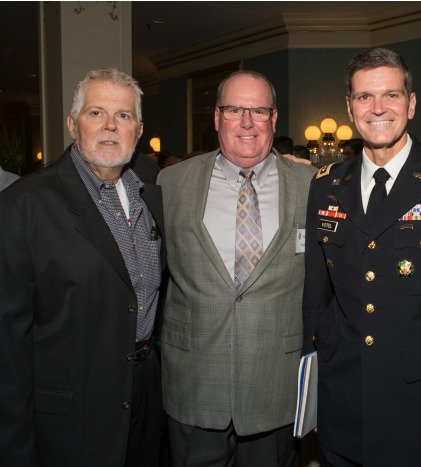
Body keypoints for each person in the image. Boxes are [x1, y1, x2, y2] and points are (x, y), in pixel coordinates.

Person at [303, 47, 421, 466]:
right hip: (341, 409)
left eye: (391, 95)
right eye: (364, 97)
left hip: (420, 416)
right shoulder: (327, 185)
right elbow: (316, 300)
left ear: (412, 102)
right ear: (350, 109)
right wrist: (312, 398)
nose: (378, 108)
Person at [0, 69, 165, 467]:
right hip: (71, 416)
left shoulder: (152, 190)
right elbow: (7, 347)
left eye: (123, 116)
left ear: (138, 130)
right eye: (96, 113)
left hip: (145, 392)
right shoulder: (24, 206)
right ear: (72, 124)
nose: (110, 126)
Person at [158, 70, 316, 467]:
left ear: (274, 119)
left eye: (258, 110)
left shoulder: (312, 184)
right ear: (216, 118)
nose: (246, 122)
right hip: (194, 382)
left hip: (274, 386)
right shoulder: (168, 183)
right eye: (234, 109)